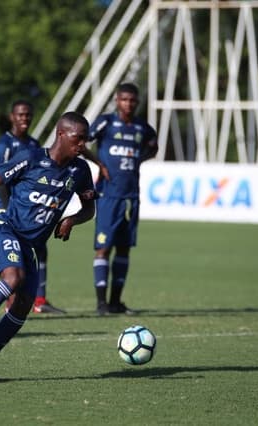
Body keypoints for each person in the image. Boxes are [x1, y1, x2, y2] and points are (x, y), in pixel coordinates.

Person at [0, 111, 97, 383]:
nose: (82, 145)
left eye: (85, 140)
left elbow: (89, 208)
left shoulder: (80, 170)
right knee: (14, 278)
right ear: (61, 134)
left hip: (32, 246)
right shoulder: (32, 158)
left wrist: (71, 220)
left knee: (23, 305)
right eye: (78, 138)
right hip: (6, 230)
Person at [86, 83, 158, 315]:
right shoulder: (106, 122)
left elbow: (153, 146)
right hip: (109, 196)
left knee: (124, 249)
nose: (129, 103)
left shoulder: (142, 127)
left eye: (133, 100)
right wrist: (99, 164)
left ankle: (116, 302)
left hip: (131, 196)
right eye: (124, 99)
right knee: (104, 248)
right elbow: (81, 142)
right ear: (117, 100)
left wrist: (140, 159)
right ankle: (100, 304)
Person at [0, 100, 65, 314]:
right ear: (11, 117)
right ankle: (10, 302)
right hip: (7, 209)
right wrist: (9, 211)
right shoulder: (4, 144)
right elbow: (0, 180)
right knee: (12, 255)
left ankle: (39, 301)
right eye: (20, 115)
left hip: (29, 210)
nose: (24, 118)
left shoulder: (34, 145)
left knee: (40, 250)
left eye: (28, 115)